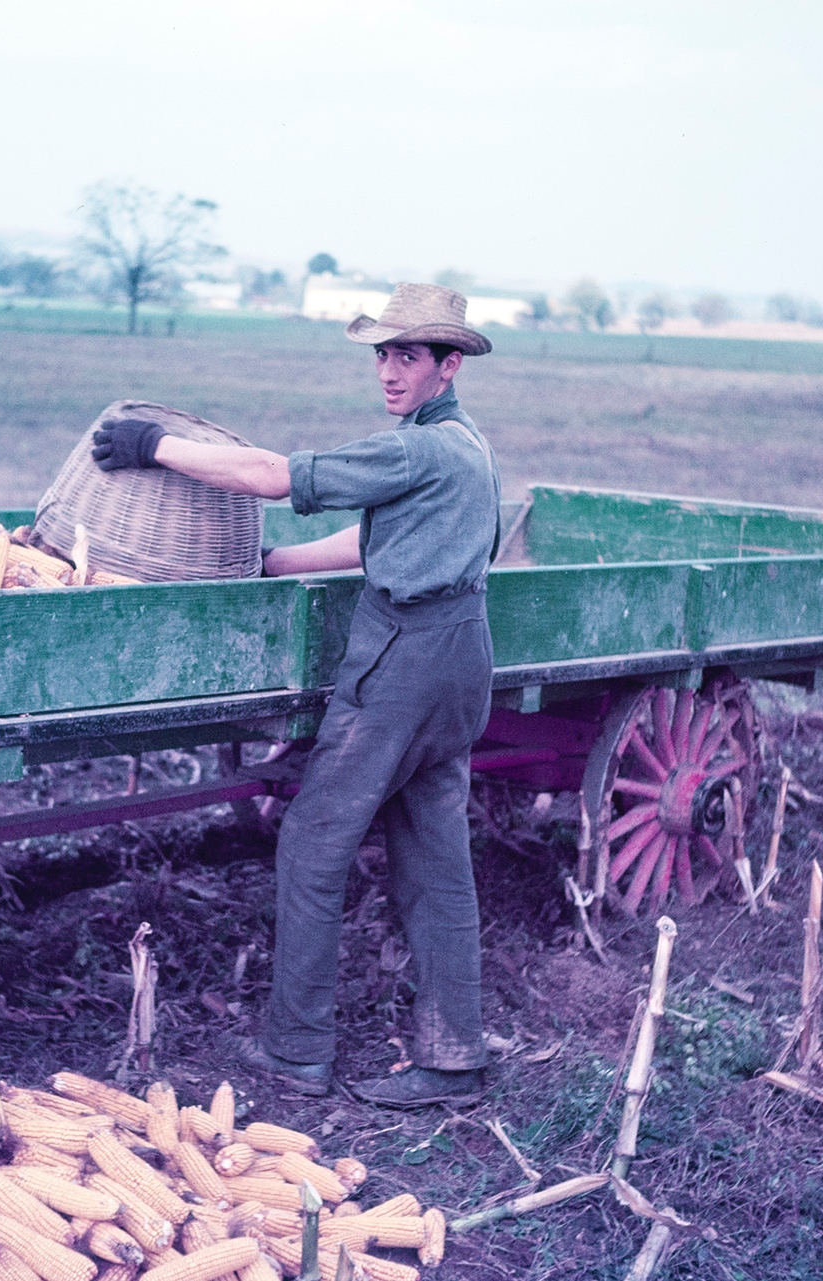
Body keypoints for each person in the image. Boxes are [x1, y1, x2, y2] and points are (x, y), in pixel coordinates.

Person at [91, 283, 501, 1106]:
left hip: (404, 661)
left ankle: (296, 1050)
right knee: (436, 859)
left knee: (313, 844)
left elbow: (272, 477)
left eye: (408, 356)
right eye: (383, 353)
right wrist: (277, 565)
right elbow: (375, 536)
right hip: (463, 658)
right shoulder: (466, 449)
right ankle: (454, 1054)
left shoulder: (416, 450)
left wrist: (155, 443)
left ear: (449, 365)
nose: (389, 370)